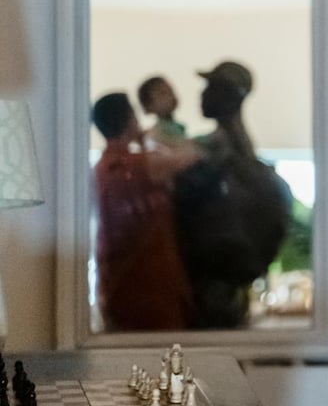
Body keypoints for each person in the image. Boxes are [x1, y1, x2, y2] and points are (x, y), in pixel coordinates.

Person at [174, 59, 292, 328]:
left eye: (211, 87)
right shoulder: (231, 153)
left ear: (230, 96)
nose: (201, 94)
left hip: (212, 288)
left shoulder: (215, 155)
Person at [91, 92, 197, 330]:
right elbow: (192, 156)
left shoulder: (100, 169)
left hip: (115, 281)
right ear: (130, 119)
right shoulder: (144, 164)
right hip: (155, 283)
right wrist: (143, 138)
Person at [137, 75, 188, 152]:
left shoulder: (179, 127)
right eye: (163, 94)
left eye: (170, 91)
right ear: (148, 106)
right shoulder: (156, 132)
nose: (170, 96)